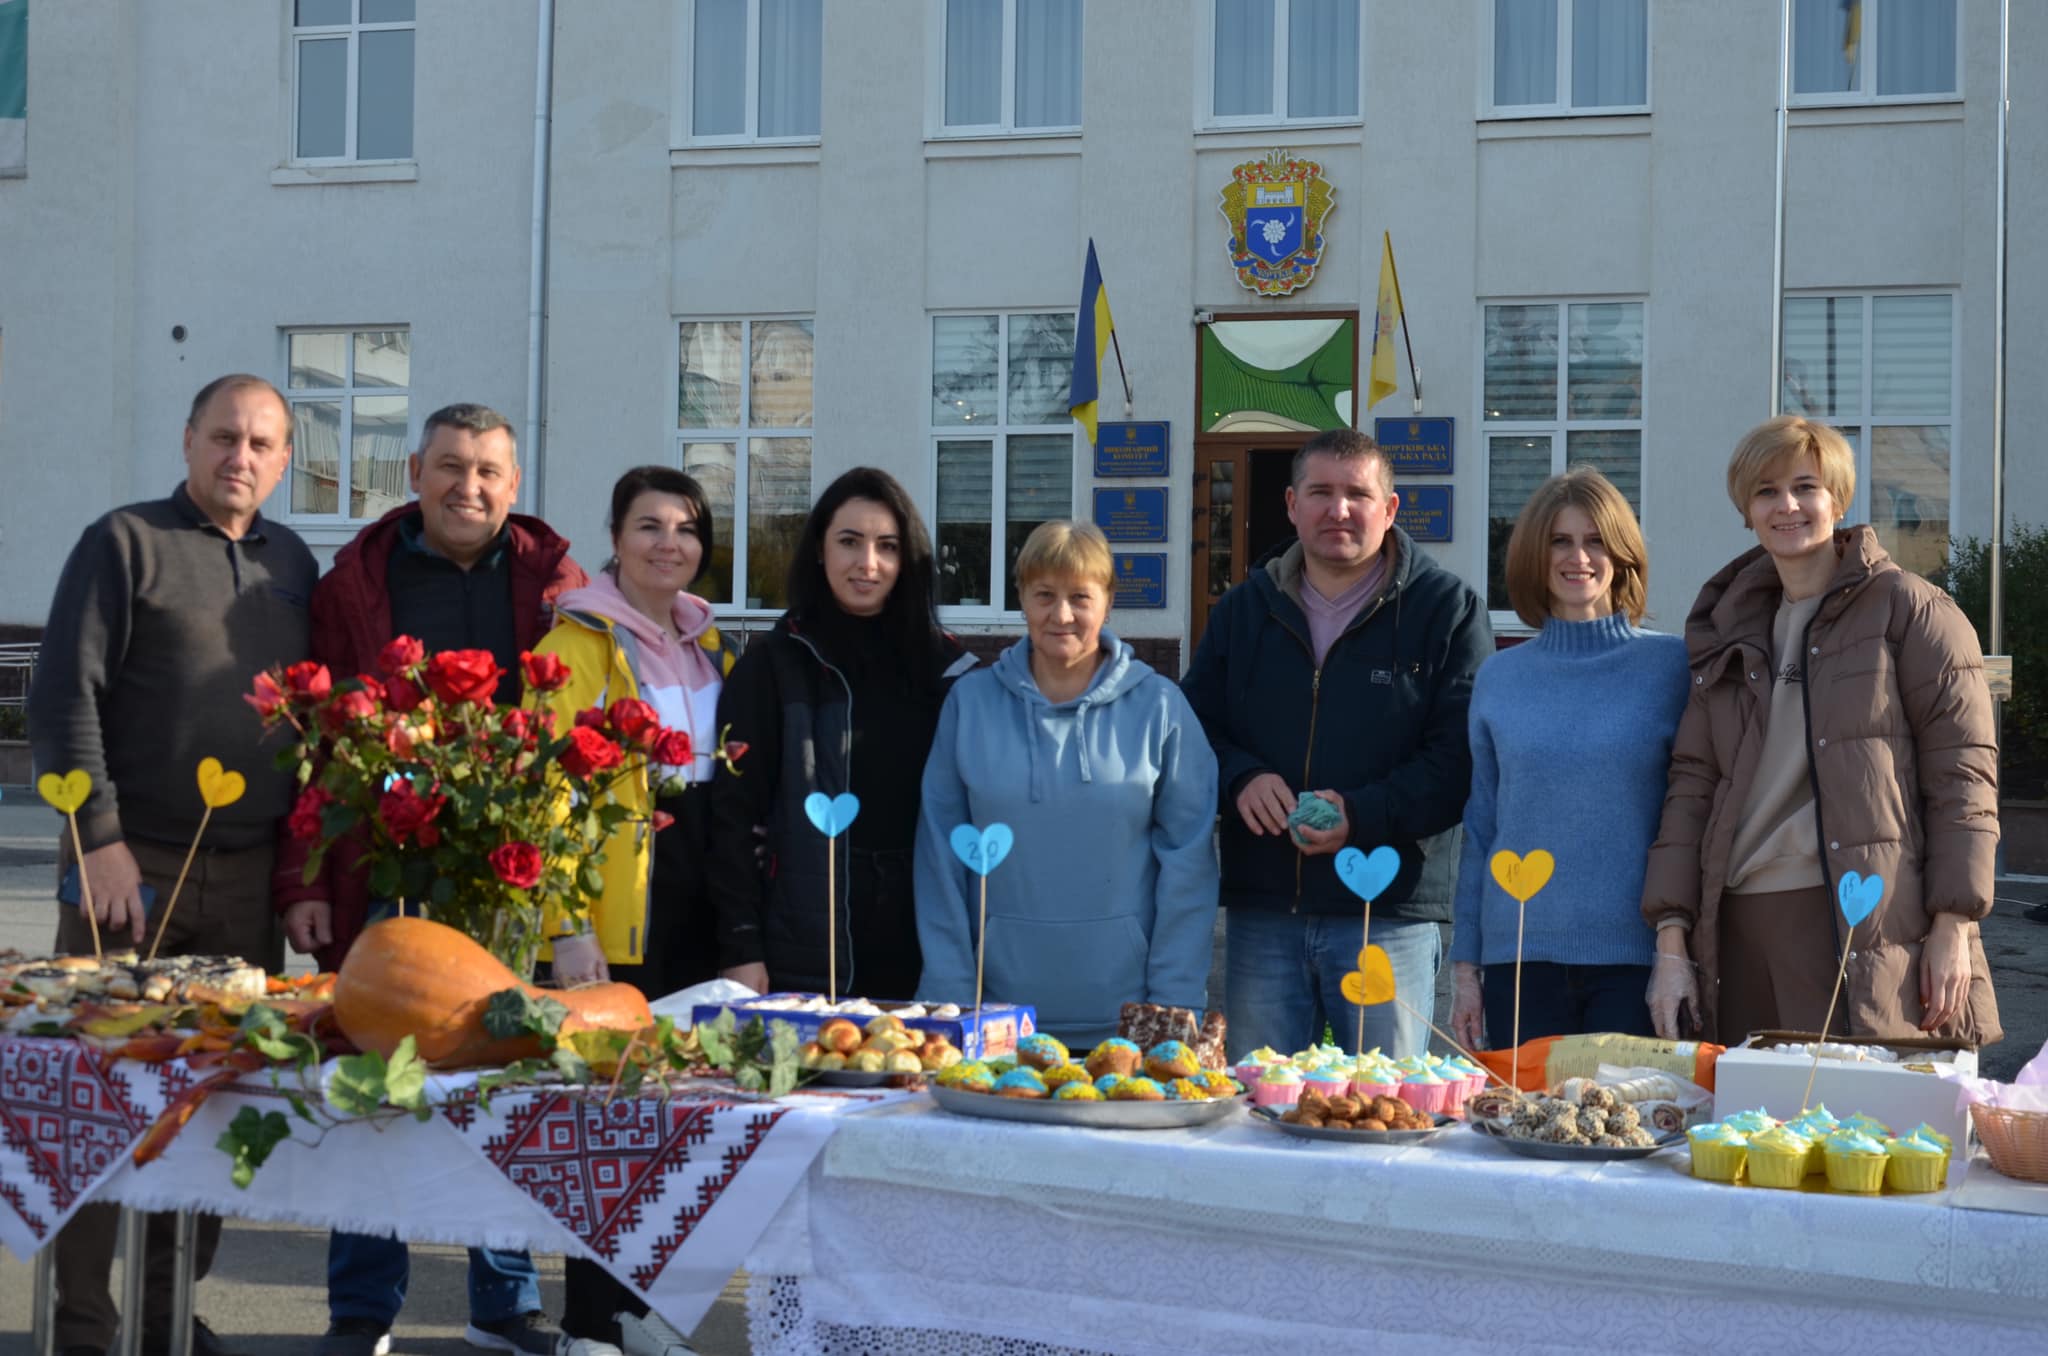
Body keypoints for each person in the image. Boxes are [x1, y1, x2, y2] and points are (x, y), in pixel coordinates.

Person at [272, 403, 591, 1356]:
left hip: (507, 872)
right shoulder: (357, 584)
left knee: (503, 1086)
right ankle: (361, 1309)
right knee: (376, 1085)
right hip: (387, 866)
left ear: (515, 483)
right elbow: (320, 747)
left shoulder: (555, 587)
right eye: (451, 466)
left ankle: (504, 1305)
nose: (469, 487)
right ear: (414, 472)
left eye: (489, 470)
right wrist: (305, 877)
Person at [28, 374, 316, 1356]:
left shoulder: (295, 564)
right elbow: (63, 694)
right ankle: (80, 1323)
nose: (241, 457)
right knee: (101, 1102)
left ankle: (163, 1318)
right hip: (130, 867)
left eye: (262, 444)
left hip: (246, 876)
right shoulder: (124, 542)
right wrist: (95, 840)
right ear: (189, 440)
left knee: (208, 1109)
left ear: (284, 461)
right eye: (225, 437)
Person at [1641, 416, 2002, 1048]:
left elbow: (1963, 778)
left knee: (1858, 1135)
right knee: (1753, 1138)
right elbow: (1691, 789)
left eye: (1805, 487)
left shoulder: (1911, 610)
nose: (1787, 506)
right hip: (1739, 925)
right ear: (1745, 509)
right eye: (1766, 491)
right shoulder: (1726, 630)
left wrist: (1954, 924)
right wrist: (1672, 937)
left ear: (1838, 498)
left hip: (1856, 918)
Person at [1181, 428, 1491, 1061]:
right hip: (1265, 908)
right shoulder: (1243, 609)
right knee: (1258, 1114)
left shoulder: (1446, 610)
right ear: (1292, 504)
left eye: (1357, 493)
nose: (1339, 509)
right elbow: (1191, 728)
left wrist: (1360, 816)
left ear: (1390, 508)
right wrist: (1239, 776)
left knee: (1390, 1113)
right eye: (1320, 492)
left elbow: (1458, 760)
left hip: (1390, 915)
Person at [526, 466, 733, 1356]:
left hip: (696, 906)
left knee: (676, 1121)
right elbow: (547, 797)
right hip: (616, 919)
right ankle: (586, 1323)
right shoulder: (576, 646)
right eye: (649, 526)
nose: (668, 543)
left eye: (685, 528)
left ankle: (642, 1312)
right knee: (603, 1124)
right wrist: (565, 925)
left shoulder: (710, 646)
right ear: (614, 536)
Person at [913, 520, 1220, 1048]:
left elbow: (1188, 866)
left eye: (1080, 596)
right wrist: (952, 994)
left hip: (1127, 1026)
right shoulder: (970, 706)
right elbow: (939, 857)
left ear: (1107, 601)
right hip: (994, 1022)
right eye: (1044, 595)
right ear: (1022, 599)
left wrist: (1172, 1002)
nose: (1062, 615)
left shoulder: (1162, 709)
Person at [710, 467, 975, 999]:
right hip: (807, 935)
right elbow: (732, 814)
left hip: (924, 930)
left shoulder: (948, 668)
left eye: (887, 546)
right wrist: (741, 946)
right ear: (818, 550)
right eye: (849, 542)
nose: (868, 563)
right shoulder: (775, 663)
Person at [1447, 469, 1688, 1052]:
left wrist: (1677, 953)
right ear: (1536, 553)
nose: (1578, 556)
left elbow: (1691, 817)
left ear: (1622, 554)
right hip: (1520, 959)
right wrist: (1464, 966)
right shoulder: (1499, 678)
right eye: (1560, 540)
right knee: (1523, 1134)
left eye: (1595, 540)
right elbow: (1481, 829)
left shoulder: (1673, 669)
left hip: (1636, 960)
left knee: (1622, 1137)